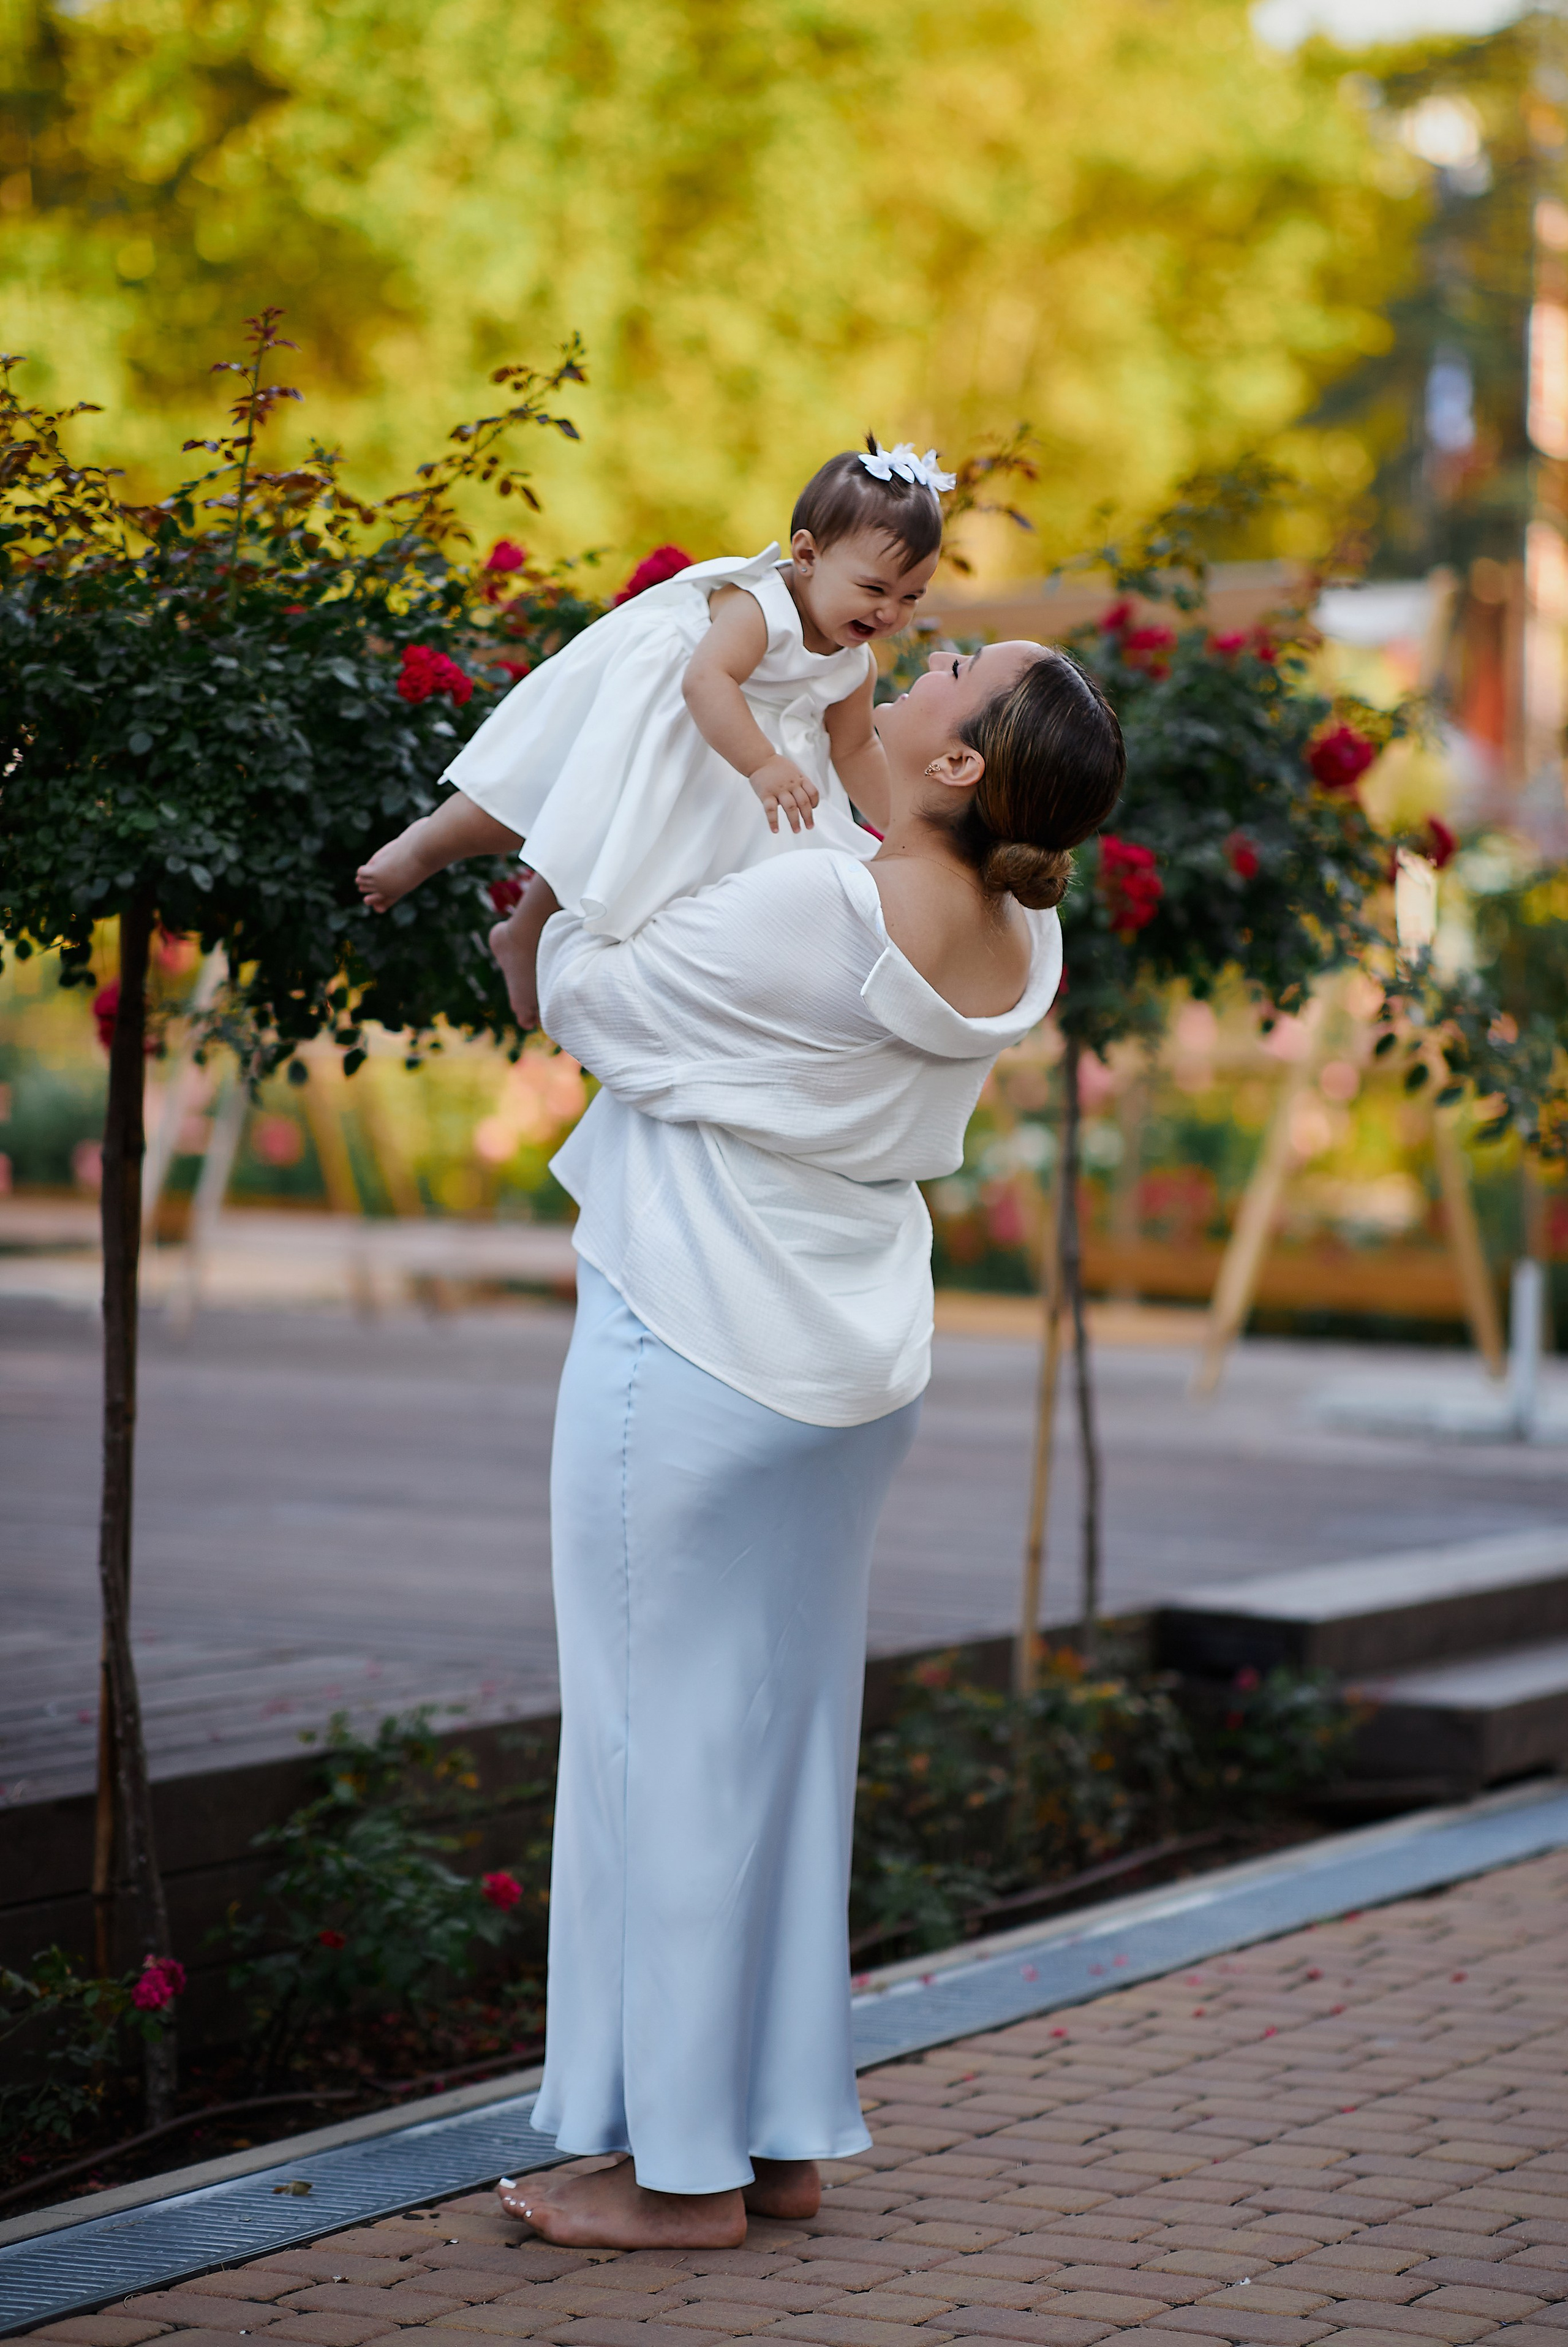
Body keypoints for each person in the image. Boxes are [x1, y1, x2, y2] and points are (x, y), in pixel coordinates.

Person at [492, 635, 1126, 2252]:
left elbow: (583, 996)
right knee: (778, 1753)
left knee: (653, 1749)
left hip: (697, 1341)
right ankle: (772, 2139)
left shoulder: (817, 907)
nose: (923, 656)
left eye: (956, 667)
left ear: (963, 762)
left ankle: (677, 2175)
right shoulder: (1023, 929)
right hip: (847, 1365)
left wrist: (551, 891)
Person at [355, 440, 953, 1026]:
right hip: (667, 705)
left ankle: (525, 930)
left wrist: (902, 828)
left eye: (910, 597)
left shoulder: (854, 664)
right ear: (806, 555)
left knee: (626, 848)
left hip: (731, 748)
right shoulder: (759, 609)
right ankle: (426, 846)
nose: (889, 614)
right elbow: (706, 680)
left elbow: (854, 747)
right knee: (543, 802)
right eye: (874, 589)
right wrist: (763, 764)